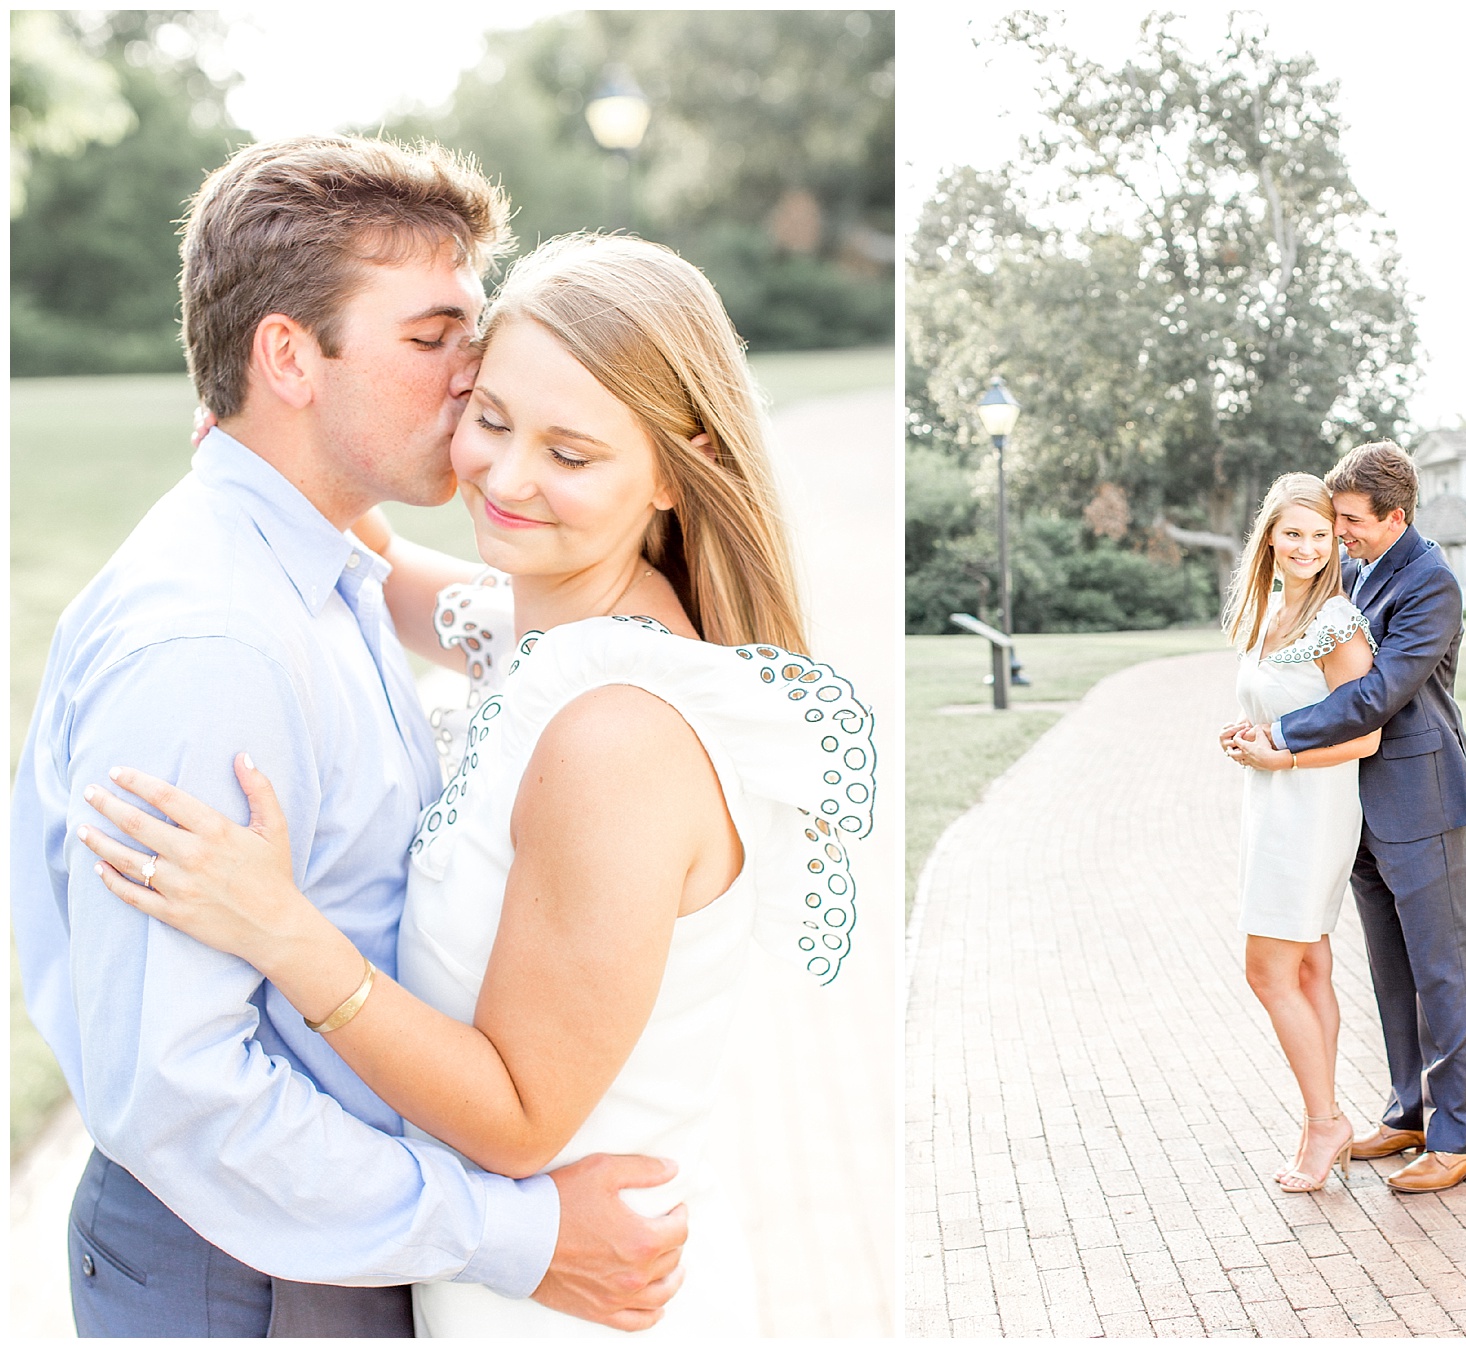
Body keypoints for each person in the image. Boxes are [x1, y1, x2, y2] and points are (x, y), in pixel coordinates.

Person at [75, 228, 875, 1336]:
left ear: (677, 471)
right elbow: (385, 567)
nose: (505, 477)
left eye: (572, 454)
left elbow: (516, 1120)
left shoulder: (616, 737)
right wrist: (270, 438)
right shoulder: (542, 623)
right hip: (481, 1274)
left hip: (568, 1298)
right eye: (490, 419)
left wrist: (281, 930)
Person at [12, 136, 684, 1336]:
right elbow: (180, 1094)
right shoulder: (214, 648)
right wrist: (519, 1238)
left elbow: (476, 612)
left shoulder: (322, 561)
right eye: (433, 339)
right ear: (288, 356)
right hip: (253, 1272)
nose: (472, 381)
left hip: (337, 1240)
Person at [1234, 441, 1466, 1194]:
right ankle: (1410, 1111)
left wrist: (1281, 736)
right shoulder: (1367, 568)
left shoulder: (1431, 582)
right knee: (1392, 973)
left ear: (1394, 516)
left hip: (1420, 798)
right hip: (1356, 803)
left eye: (1348, 520)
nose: (1338, 533)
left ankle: (1460, 1135)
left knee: (1443, 972)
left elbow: (1379, 696)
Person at [1219, 473, 1380, 1192]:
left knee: (1267, 970)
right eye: (1295, 533)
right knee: (1309, 966)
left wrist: (1280, 754)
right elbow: (1283, 705)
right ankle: (1327, 1118)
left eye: (1321, 535)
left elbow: (1366, 736)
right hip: (1271, 805)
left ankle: (1324, 1124)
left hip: (1312, 809)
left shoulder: (1336, 621)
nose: (1309, 547)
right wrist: (1249, 736)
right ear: (1271, 539)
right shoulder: (1268, 615)